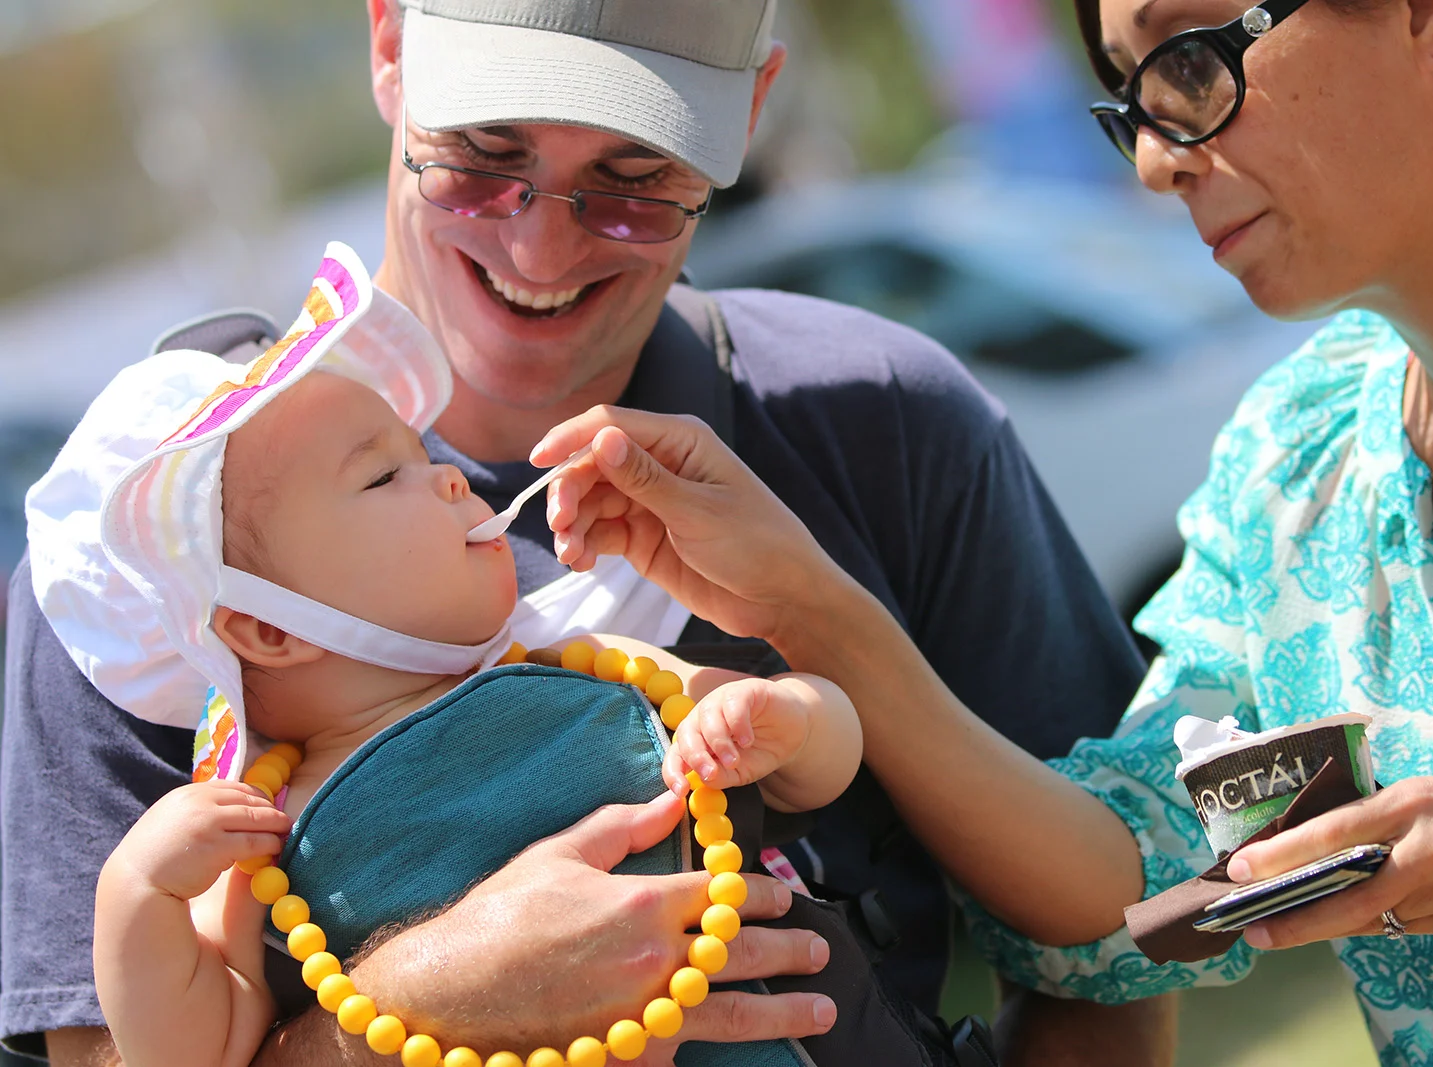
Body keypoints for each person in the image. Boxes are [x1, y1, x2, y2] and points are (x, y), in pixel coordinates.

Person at [1, 1, 1170, 1063]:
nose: (539, 252)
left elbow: (1126, 937)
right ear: (389, 45)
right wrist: (441, 994)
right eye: (481, 160)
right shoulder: (157, 548)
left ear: (748, 113)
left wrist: (809, 631)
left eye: (633, 182)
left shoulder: (884, 417)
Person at [522, 0, 1433, 1054]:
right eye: (1132, 106)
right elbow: (1138, 871)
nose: (1156, 162)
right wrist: (813, 611)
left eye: (1190, 63)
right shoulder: (1295, 466)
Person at [33, 255, 858, 1067]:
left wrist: (784, 719)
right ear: (267, 628)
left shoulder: (593, 667)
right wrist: (136, 894)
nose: (452, 480)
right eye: (384, 474)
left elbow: (817, 771)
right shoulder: (255, 825)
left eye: (427, 456)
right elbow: (197, 1052)